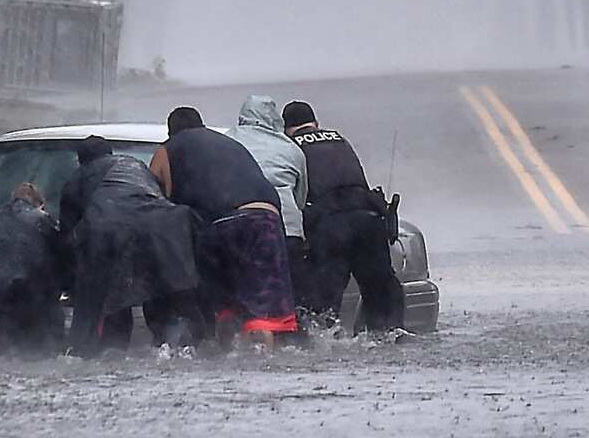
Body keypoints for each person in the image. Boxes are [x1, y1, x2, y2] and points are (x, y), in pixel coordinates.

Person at [150, 107, 298, 353]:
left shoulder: (168, 149)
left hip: (220, 224)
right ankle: (264, 368)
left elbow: (154, 200)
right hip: (266, 219)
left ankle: (227, 362)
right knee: (262, 313)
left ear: (170, 131)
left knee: (225, 306)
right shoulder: (229, 142)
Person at [61, 136, 201, 356]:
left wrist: (68, 285)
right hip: (164, 230)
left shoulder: (77, 179)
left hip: (111, 232)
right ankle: (174, 348)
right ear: (110, 153)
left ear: (81, 161)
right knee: (162, 298)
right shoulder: (136, 166)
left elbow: (69, 242)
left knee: (111, 302)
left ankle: (105, 354)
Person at [282, 101, 404, 333]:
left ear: (286, 129)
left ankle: (326, 341)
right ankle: (391, 335)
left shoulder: (291, 147)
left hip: (332, 227)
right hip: (369, 219)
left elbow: (294, 198)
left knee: (323, 303)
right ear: (316, 124)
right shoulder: (339, 139)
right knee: (381, 289)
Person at [227, 95, 311, 313]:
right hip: (288, 231)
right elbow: (300, 199)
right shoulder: (291, 148)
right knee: (292, 302)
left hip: (242, 228)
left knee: (246, 301)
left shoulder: (228, 141)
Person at [0, 183, 65, 357]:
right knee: (39, 352)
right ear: (39, 204)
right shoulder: (42, 220)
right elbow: (59, 257)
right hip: (25, 295)